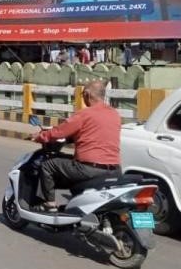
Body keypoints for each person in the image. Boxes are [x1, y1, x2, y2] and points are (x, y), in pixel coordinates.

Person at [32, 80, 121, 210]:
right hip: (115, 170)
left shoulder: (85, 114)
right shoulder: (114, 114)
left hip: (88, 169)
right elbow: (95, 133)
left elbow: (60, 131)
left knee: (48, 165)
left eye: (82, 95)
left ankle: (49, 204)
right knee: (70, 162)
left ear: (87, 94)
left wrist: (40, 136)